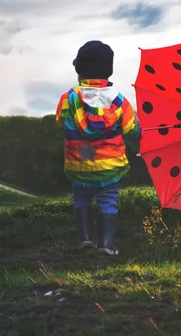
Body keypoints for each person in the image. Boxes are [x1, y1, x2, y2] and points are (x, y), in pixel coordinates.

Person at [56, 40, 141, 255]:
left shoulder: (68, 98)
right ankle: (106, 244)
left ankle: (85, 239)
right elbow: (132, 133)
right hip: (109, 167)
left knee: (81, 199)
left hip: (80, 163)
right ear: (108, 72)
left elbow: (60, 121)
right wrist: (139, 128)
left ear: (79, 71)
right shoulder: (120, 101)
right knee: (108, 201)